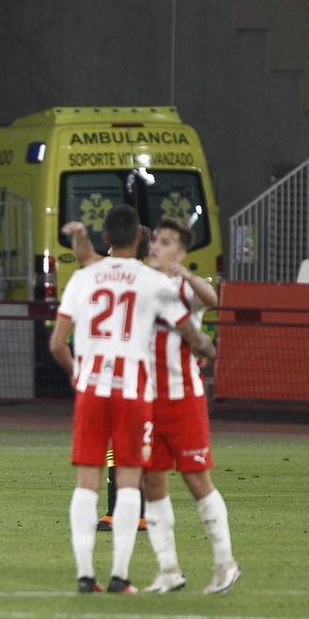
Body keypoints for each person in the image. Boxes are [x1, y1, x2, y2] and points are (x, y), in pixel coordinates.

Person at [66, 218, 239, 595]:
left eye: (166, 242)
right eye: (155, 240)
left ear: (181, 253)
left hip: (182, 398)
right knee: (153, 483)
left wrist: (188, 277)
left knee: (196, 480)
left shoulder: (180, 287)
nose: (157, 246)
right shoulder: (142, 283)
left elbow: (212, 300)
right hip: (143, 399)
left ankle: (225, 563)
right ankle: (168, 569)